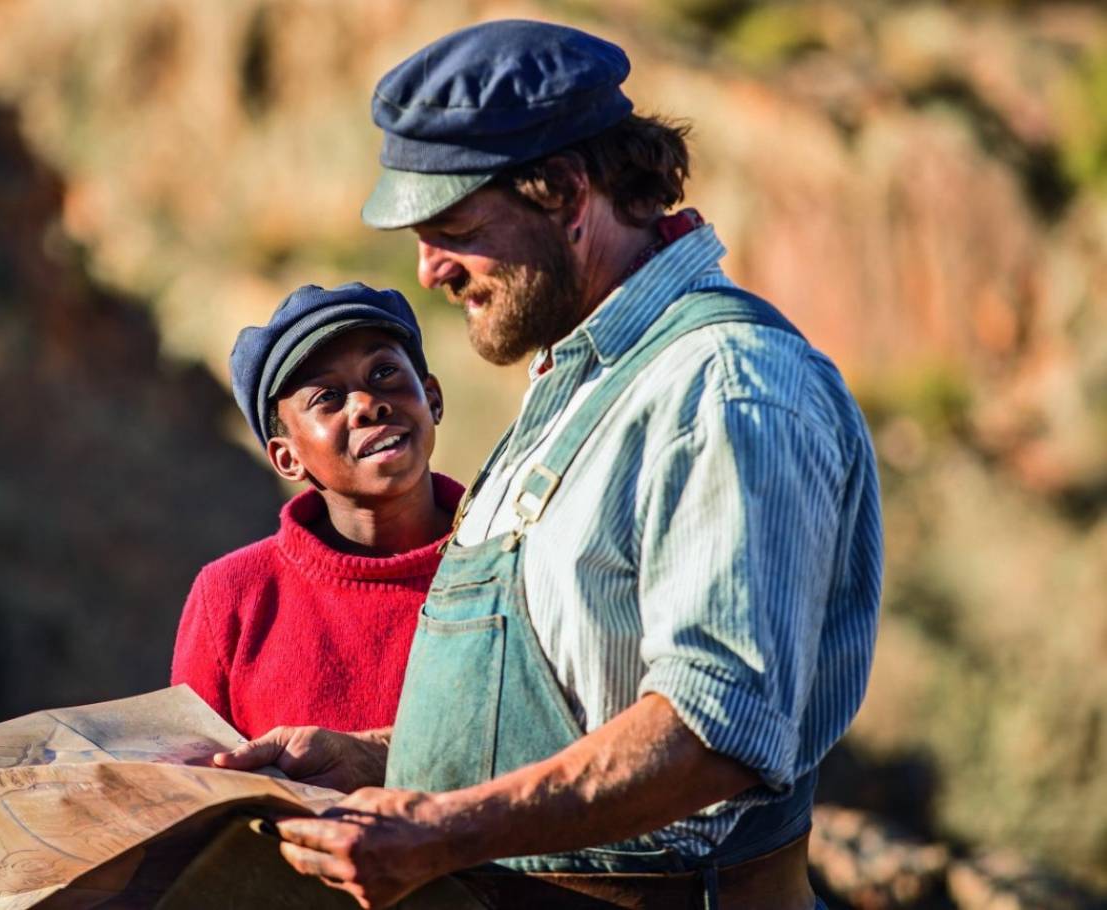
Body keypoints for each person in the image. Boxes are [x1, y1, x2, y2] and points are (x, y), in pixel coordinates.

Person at [214, 19, 883, 910]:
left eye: (453, 227)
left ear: (566, 193)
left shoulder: (724, 388)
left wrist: (443, 829)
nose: (428, 271)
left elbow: (715, 731)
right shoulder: (582, 380)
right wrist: (379, 756)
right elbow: (576, 704)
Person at [170, 282, 463, 739]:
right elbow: (193, 785)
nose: (367, 404)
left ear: (433, 398)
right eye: (326, 397)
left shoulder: (508, 556)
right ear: (288, 458)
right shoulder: (232, 597)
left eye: (384, 371)